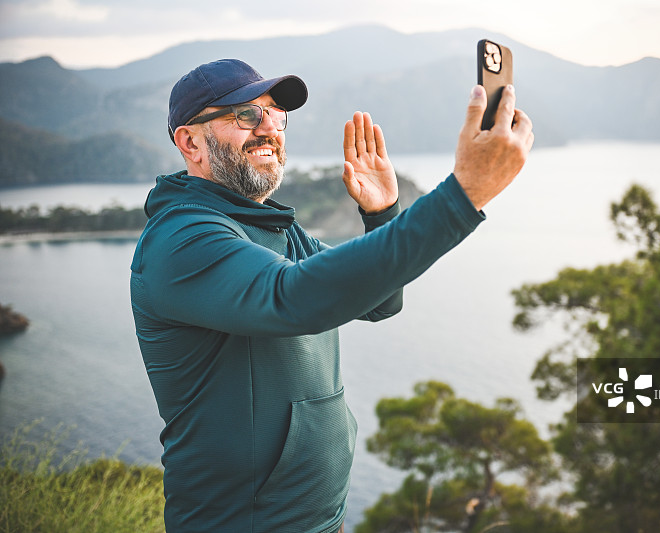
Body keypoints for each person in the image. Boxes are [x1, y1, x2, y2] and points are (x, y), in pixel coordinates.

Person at [130, 58, 533, 533]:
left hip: (323, 520)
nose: (267, 129)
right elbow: (292, 298)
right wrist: (464, 195)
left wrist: (382, 213)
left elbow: (380, 303)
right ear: (190, 141)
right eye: (245, 115)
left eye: (275, 114)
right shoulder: (182, 240)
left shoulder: (271, 226)